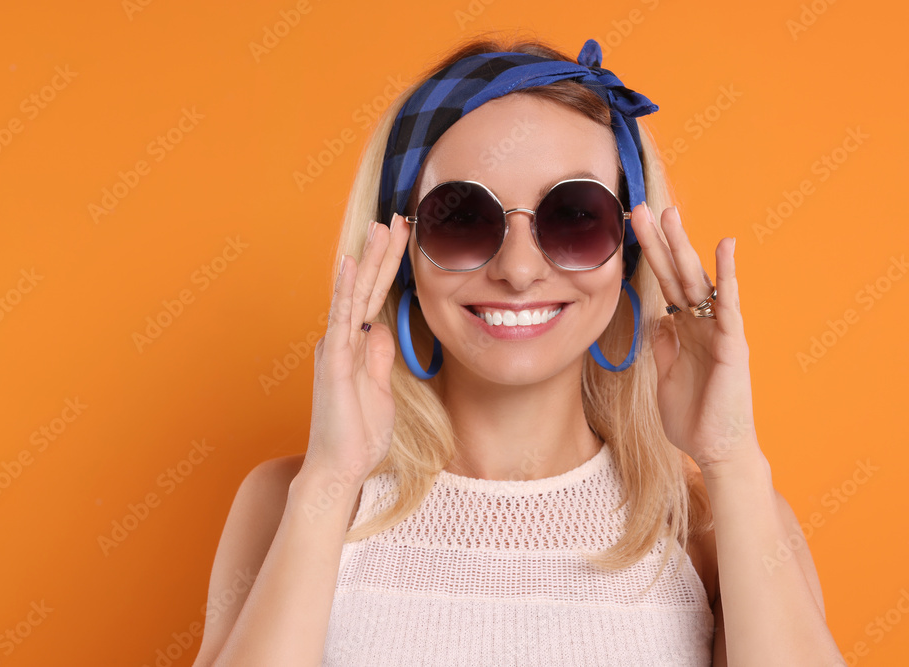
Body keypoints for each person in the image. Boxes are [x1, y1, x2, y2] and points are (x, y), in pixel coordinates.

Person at [192, 33, 845, 666]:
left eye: (576, 216)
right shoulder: (290, 501)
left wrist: (731, 459)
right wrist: (332, 483)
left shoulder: (712, 517)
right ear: (400, 252)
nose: (520, 269)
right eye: (461, 217)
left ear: (629, 252)